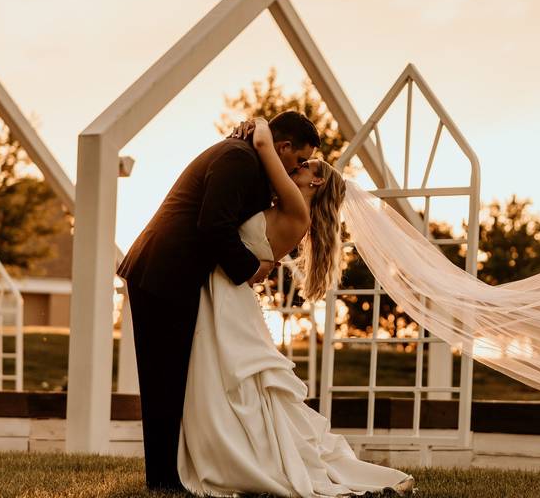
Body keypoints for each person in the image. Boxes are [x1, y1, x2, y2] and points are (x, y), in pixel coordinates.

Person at [176, 117, 413, 497]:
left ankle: (238, 456)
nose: (298, 168)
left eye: (306, 166)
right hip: (229, 292)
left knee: (234, 383)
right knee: (239, 386)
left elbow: (268, 148)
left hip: (228, 294)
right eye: (301, 162)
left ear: (315, 182)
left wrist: (261, 125)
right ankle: (236, 449)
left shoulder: (295, 208)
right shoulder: (293, 211)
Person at [118, 111, 320, 490]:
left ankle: (169, 474)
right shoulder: (238, 159)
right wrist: (252, 269)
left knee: (175, 379)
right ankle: (163, 479)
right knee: (164, 380)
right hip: (164, 272)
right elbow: (213, 224)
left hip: (175, 274)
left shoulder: (249, 161)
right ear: (284, 146)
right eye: (297, 159)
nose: (296, 168)